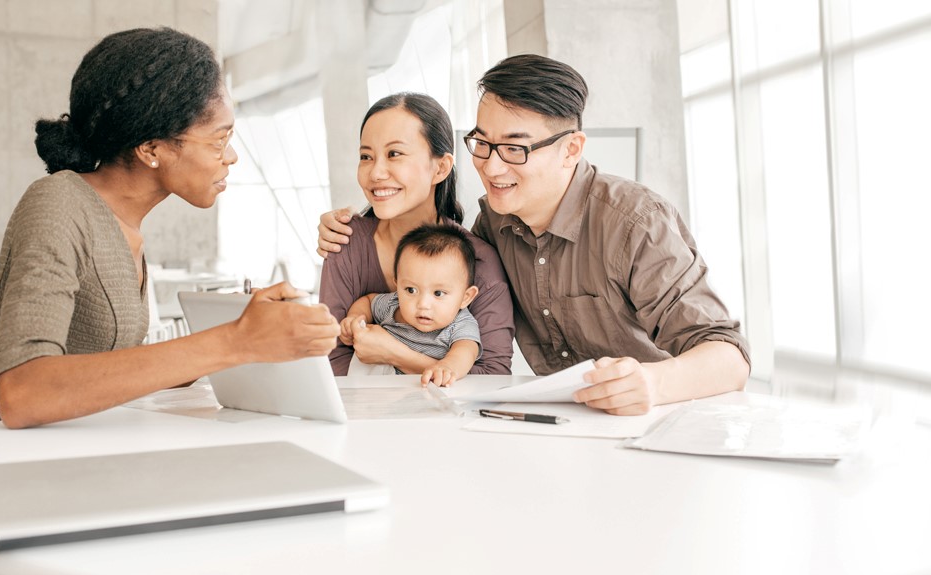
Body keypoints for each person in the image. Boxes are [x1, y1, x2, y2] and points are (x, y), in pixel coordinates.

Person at [318, 55, 751, 416]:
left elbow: (729, 356)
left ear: (572, 149)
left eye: (515, 148)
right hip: (568, 421)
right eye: (482, 144)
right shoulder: (492, 227)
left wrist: (652, 382)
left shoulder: (636, 223)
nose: (491, 167)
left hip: (660, 418)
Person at [0, 28, 340, 432]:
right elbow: (23, 392)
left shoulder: (125, 225)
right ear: (151, 148)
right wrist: (232, 341)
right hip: (7, 468)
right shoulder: (58, 205)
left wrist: (242, 334)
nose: (231, 156)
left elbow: (110, 375)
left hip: (75, 457)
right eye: (219, 139)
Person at [318, 92, 514, 377]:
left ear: (441, 167)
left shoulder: (478, 262)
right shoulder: (344, 242)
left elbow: (493, 378)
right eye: (366, 156)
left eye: (394, 154)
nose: (376, 173)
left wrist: (396, 354)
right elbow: (330, 363)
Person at [341, 224, 481, 387]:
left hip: (421, 394)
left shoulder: (460, 324)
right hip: (371, 390)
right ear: (397, 285)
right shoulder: (393, 305)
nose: (423, 304)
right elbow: (368, 301)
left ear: (466, 297)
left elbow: (466, 352)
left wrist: (447, 367)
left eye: (438, 293)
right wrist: (354, 318)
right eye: (411, 290)